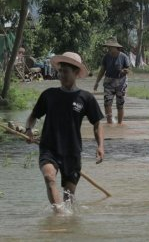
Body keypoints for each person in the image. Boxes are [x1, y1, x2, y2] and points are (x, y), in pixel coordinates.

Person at [25, 52, 104, 214]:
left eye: (65, 71)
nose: (61, 75)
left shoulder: (86, 98)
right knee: (49, 178)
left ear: (76, 73)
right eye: (60, 71)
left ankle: (70, 226)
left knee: (69, 196)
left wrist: (100, 146)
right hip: (49, 147)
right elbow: (33, 116)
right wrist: (29, 129)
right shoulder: (49, 95)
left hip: (72, 151)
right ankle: (60, 217)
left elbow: (97, 123)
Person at [93, 37, 130, 125]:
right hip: (109, 82)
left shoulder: (123, 57)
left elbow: (128, 69)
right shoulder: (106, 57)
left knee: (120, 104)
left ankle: (120, 124)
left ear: (116, 47)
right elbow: (102, 70)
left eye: (110, 47)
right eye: (108, 47)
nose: (108, 48)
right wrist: (97, 82)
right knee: (107, 102)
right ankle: (109, 123)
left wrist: (124, 71)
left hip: (121, 82)